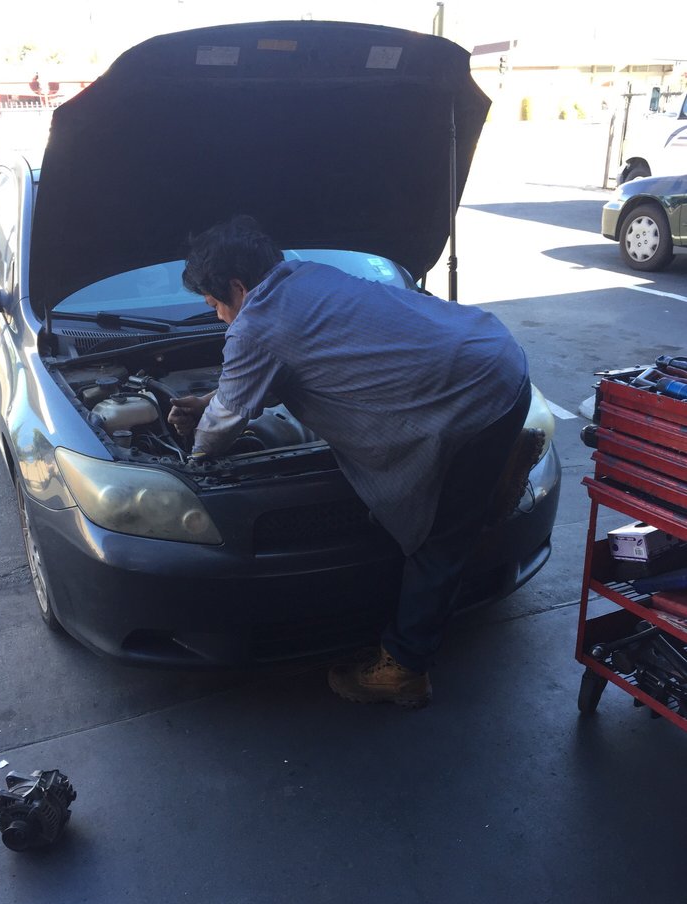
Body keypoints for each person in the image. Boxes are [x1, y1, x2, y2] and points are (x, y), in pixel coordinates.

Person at [169, 216, 531, 709]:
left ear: (237, 287)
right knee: (462, 497)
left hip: (472, 402)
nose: (217, 317)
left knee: (437, 540)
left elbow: (222, 425)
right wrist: (212, 399)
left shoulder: (254, 325)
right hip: (497, 357)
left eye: (214, 304)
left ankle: (404, 668)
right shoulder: (308, 275)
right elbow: (281, 368)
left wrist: (195, 457)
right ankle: (493, 472)